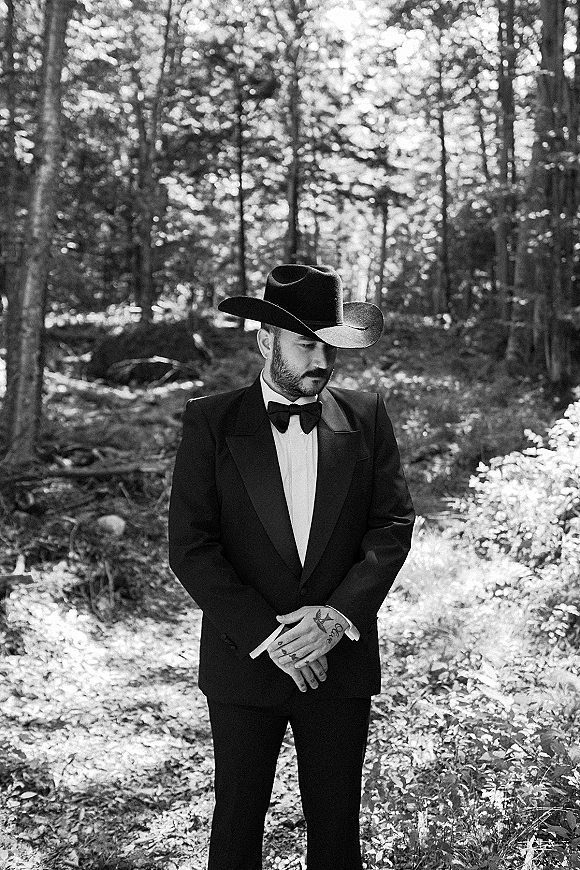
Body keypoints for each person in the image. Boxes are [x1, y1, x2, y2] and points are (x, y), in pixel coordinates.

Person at [168, 263, 415, 870]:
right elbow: (191, 545)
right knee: (236, 828)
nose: (322, 361)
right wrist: (269, 636)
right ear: (265, 341)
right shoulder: (212, 421)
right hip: (243, 660)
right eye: (307, 344)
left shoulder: (366, 415)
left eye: (328, 346)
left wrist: (335, 618)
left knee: (336, 834)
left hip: (340, 660)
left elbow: (392, 526)